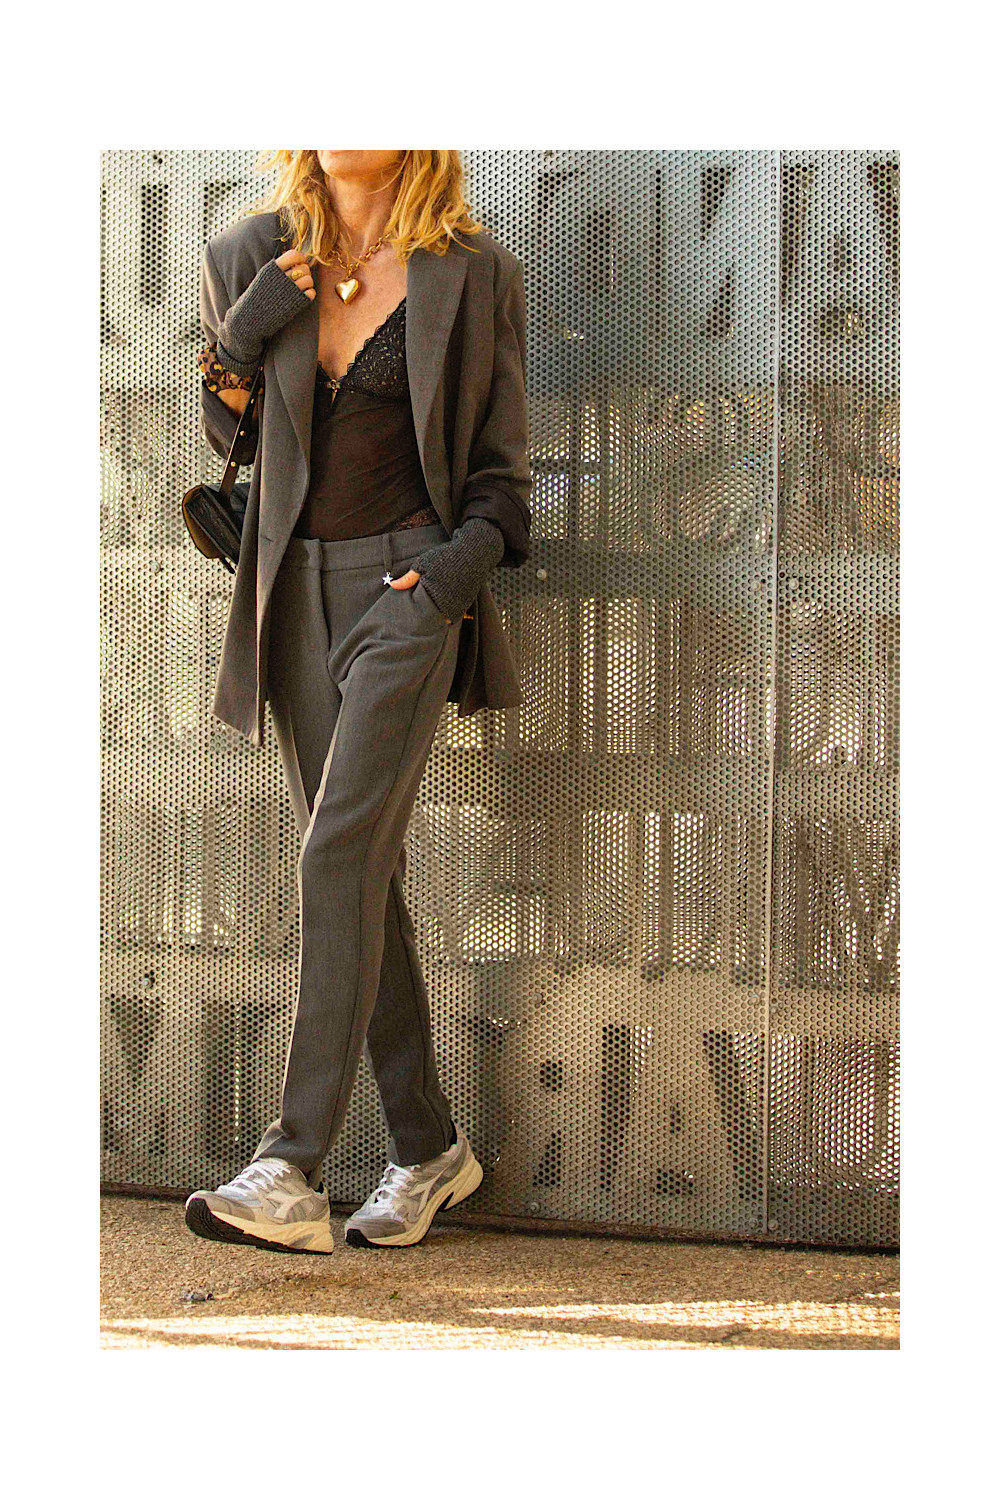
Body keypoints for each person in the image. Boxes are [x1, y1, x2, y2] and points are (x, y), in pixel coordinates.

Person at [184, 150, 532, 1253]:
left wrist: (446, 576)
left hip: (408, 592)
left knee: (336, 853)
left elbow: (502, 476)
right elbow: (233, 432)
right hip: (288, 591)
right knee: (362, 871)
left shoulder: (471, 270)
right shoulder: (251, 251)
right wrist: (245, 334)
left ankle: (290, 1165)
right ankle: (429, 1147)